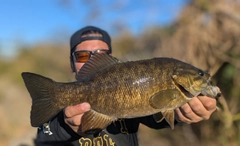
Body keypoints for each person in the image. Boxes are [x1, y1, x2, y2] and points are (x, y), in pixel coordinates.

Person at [35, 26, 217, 146]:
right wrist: (63, 127)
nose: (91, 58)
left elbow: (156, 116)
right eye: (82, 56)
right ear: (71, 62)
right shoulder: (55, 106)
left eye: (100, 54)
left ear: (110, 57)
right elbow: (44, 137)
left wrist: (182, 113)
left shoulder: (177, 91)